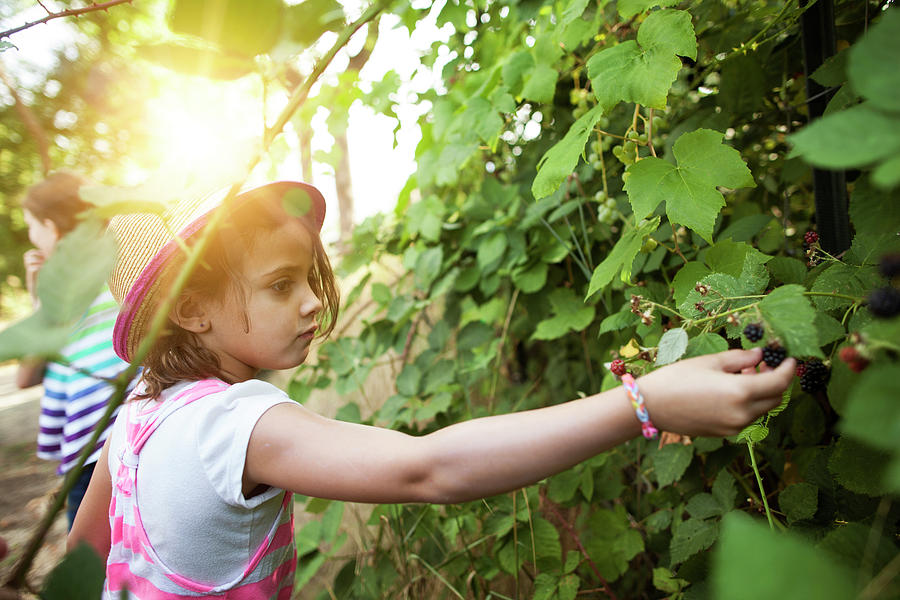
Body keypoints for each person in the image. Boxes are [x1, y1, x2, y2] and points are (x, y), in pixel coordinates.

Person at [68, 181, 795, 599]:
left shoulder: (136, 417)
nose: (313, 304)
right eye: (280, 286)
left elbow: (83, 557)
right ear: (190, 310)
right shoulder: (238, 423)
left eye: (306, 278)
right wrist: (645, 401)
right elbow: (431, 467)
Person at [16, 171, 136, 529]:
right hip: (138, 431)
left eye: (32, 227)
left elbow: (25, 374)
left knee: (89, 549)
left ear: (52, 228)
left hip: (93, 447)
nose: (31, 237)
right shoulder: (122, 262)